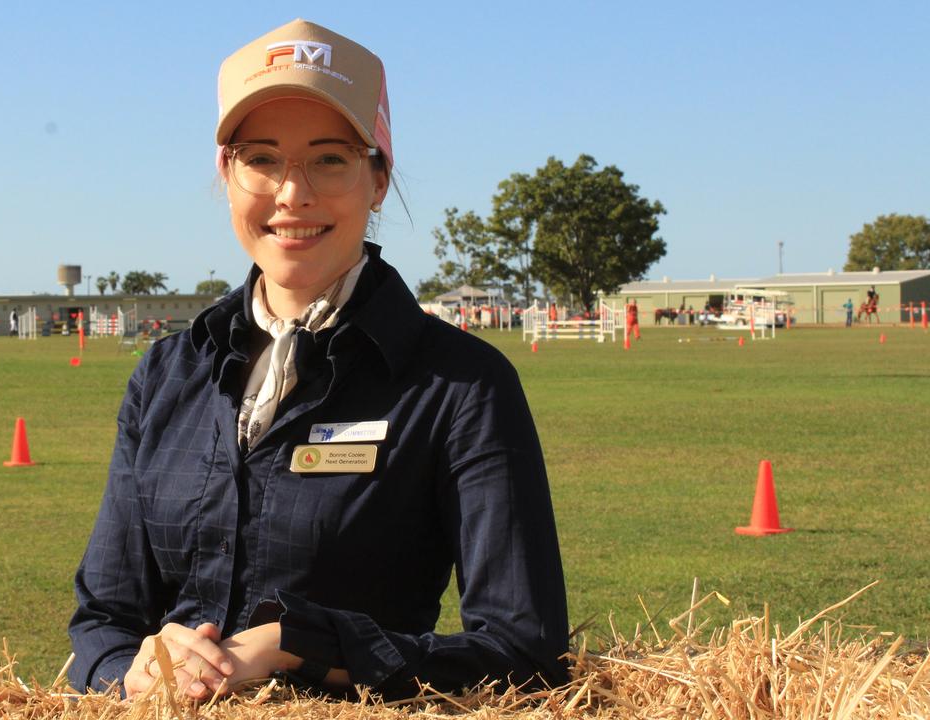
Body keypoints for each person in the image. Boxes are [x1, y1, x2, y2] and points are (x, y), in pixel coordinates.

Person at [67, 19, 567, 702]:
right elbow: (103, 621)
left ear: (378, 177)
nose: (291, 194)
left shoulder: (460, 385)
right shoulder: (166, 373)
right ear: (226, 173)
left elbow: (522, 651)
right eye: (261, 158)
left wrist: (290, 645)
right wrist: (132, 670)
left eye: (329, 159)